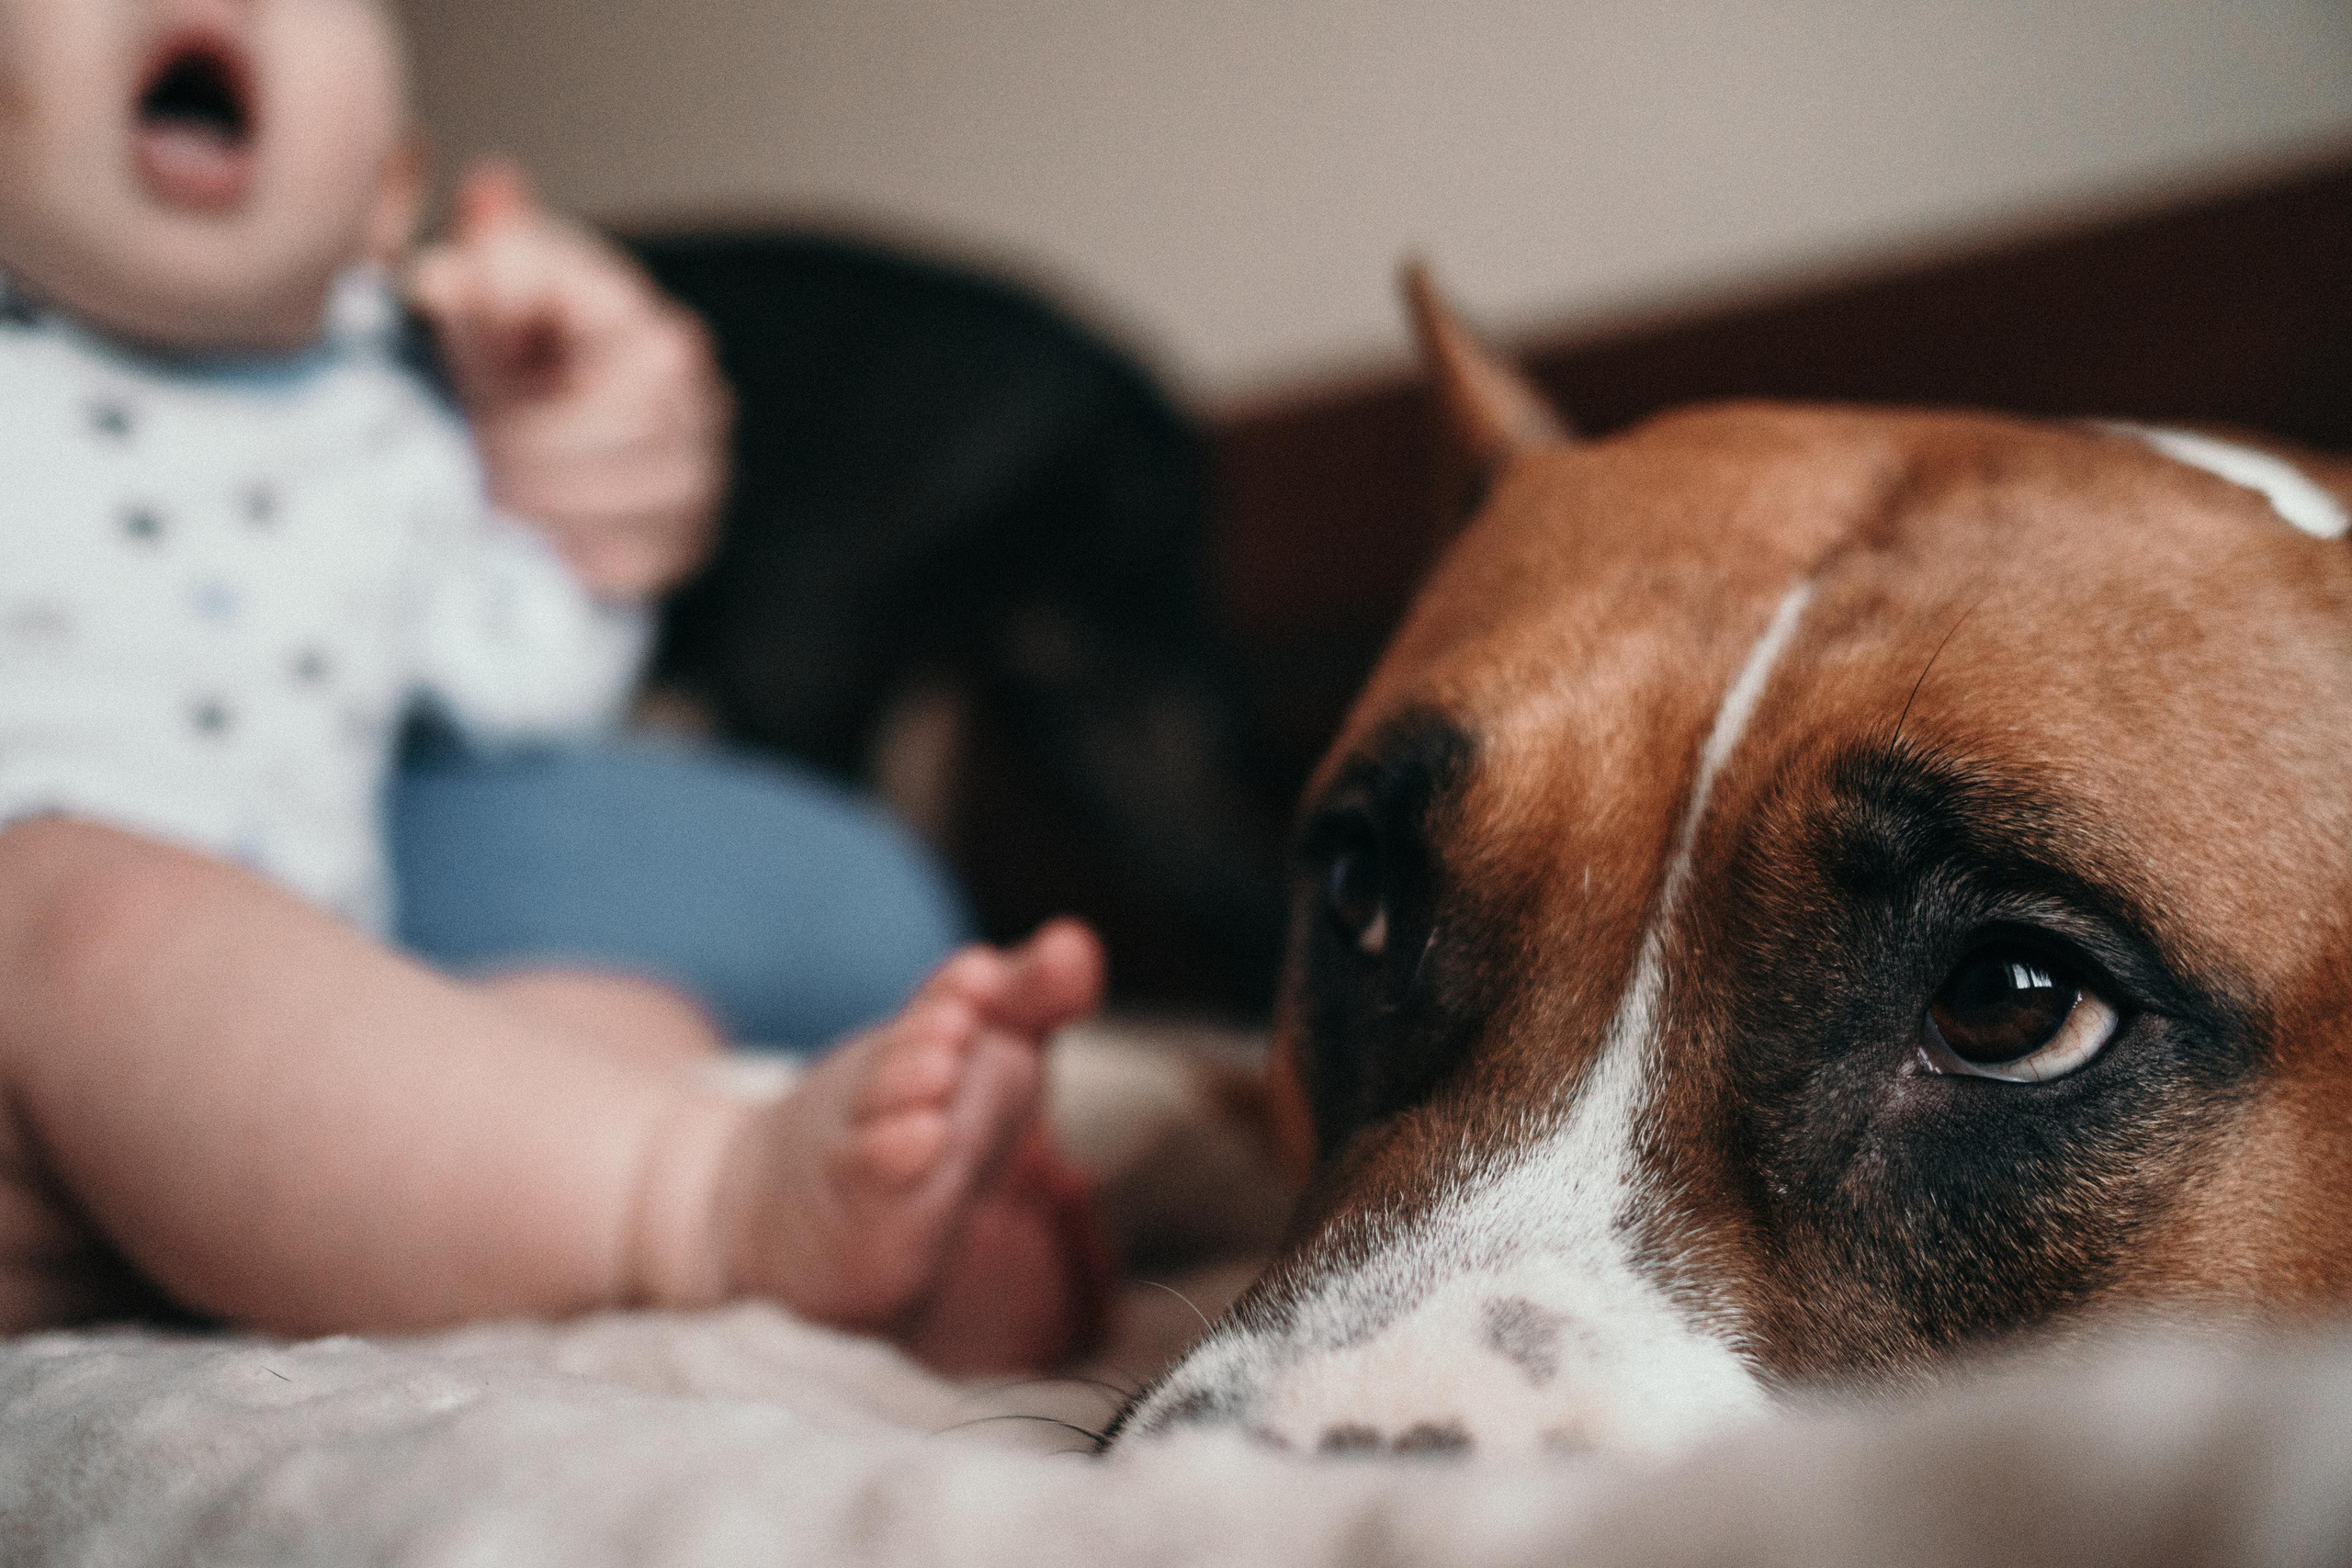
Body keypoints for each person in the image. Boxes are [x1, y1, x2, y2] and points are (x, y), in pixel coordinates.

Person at [0, 0, 1104, 1371]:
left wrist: (546, 502)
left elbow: (522, 687)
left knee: (578, 1021)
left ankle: (875, 1268)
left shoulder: (390, 445)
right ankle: (703, 1206)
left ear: (387, 200)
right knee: (68, 908)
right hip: (35, 1008)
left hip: (283, 1028)